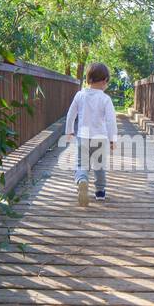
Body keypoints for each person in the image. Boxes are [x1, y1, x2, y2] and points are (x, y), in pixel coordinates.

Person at [64, 63, 117, 205]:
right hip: (100, 137)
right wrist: (113, 139)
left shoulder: (80, 95)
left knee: (82, 164)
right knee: (99, 165)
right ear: (105, 80)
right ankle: (100, 192)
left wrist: (69, 131)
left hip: (83, 136)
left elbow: (70, 115)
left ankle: (82, 181)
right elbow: (111, 121)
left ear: (88, 79)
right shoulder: (105, 99)